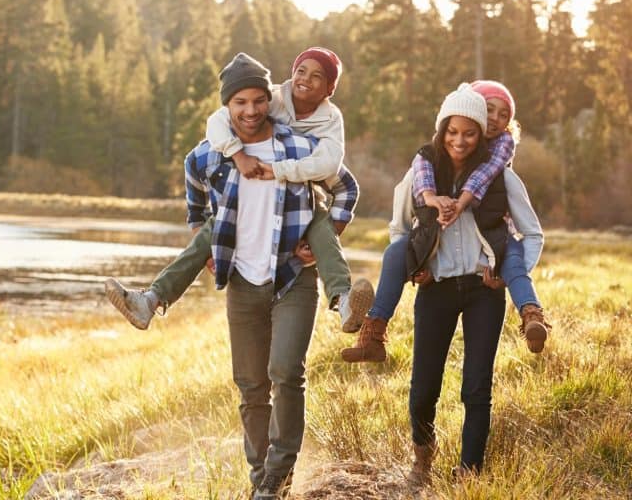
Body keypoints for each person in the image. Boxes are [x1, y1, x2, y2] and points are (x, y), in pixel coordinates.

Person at [179, 53, 359, 498]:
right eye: (240, 102)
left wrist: (323, 238)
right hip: (242, 278)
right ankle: (262, 479)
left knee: (285, 372)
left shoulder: (300, 146)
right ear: (228, 105)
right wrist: (205, 239)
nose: (251, 110)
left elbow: (345, 186)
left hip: (292, 275)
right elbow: (195, 195)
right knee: (251, 386)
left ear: (268, 101)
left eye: (258, 100)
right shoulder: (211, 154)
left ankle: (278, 474)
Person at [105, 47, 372, 334]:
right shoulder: (269, 99)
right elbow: (218, 121)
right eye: (300, 71)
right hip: (250, 198)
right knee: (214, 227)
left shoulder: (330, 121)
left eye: (317, 76)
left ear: (330, 88)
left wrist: (326, 233)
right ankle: (150, 301)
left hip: (303, 197)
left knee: (321, 225)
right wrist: (237, 154)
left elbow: (334, 167)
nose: (304, 79)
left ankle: (344, 301)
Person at [385, 84, 544, 482]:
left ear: (479, 135)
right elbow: (397, 229)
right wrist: (414, 266)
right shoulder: (421, 173)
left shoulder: (501, 178)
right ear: (443, 130)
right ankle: (423, 457)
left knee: (476, 387)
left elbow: (533, 235)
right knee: (423, 386)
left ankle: (470, 471)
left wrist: (507, 272)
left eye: (470, 132)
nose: (460, 139)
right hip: (435, 289)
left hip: (482, 292)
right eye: (453, 131)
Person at [341, 80, 550, 363]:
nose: (496, 120)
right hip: (438, 269)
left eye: (504, 116)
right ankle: (374, 330)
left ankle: (531, 314)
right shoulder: (428, 159)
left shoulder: (500, 158)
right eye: (489, 110)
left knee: (513, 259)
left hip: (493, 244)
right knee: (395, 252)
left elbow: (486, 178)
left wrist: (460, 203)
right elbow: (403, 217)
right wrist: (417, 263)